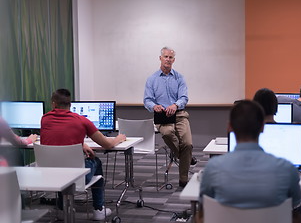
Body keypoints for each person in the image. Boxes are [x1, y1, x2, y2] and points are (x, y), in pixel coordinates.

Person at [197, 100, 301, 222]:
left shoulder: (213, 167)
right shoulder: (287, 169)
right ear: (263, 127)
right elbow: (295, 203)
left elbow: (204, 203)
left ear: (229, 126)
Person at [41, 89, 126, 221]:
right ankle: (98, 209)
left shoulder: (44, 119)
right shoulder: (81, 121)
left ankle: (63, 208)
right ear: (70, 104)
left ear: (53, 104)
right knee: (96, 161)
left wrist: (80, 144)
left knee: (57, 163)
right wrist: (119, 138)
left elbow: (58, 139)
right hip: (77, 178)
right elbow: (107, 144)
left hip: (50, 175)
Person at [144, 46, 196, 187]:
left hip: (179, 114)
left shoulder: (180, 78)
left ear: (174, 60)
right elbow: (147, 100)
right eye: (165, 56)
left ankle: (183, 180)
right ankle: (185, 156)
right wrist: (154, 106)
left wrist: (175, 105)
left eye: (170, 57)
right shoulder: (152, 79)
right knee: (167, 133)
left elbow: (184, 97)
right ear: (160, 58)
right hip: (162, 116)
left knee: (188, 144)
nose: (168, 59)